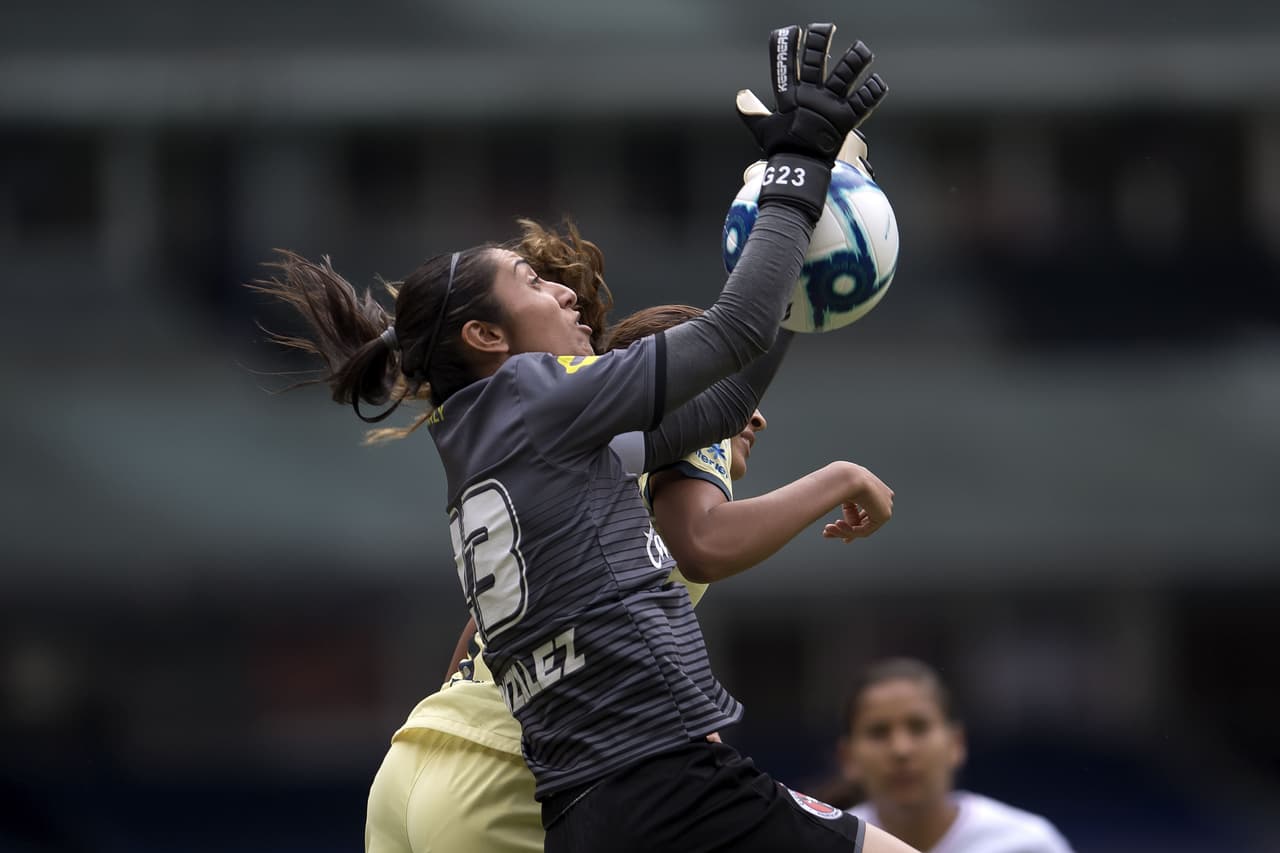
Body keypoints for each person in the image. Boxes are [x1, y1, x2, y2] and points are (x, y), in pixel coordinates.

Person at [255, 22, 908, 852]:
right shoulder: (535, 398)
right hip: (634, 773)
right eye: (532, 283)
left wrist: (802, 220)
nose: (564, 294)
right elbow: (735, 334)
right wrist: (794, 177)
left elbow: (712, 407)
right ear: (487, 340)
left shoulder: (485, 440)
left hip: (535, 789)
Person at [364, 296, 895, 853]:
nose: (755, 413)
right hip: (507, 780)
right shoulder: (683, 427)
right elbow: (703, 541)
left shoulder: (572, 473)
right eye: (741, 387)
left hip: (414, 761)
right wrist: (842, 478)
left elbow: (481, 639)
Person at [836, 658, 1074, 853]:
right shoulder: (828, 843)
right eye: (878, 732)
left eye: (919, 727)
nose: (901, 749)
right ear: (849, 758)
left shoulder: (1028, 844)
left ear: (956, 744)